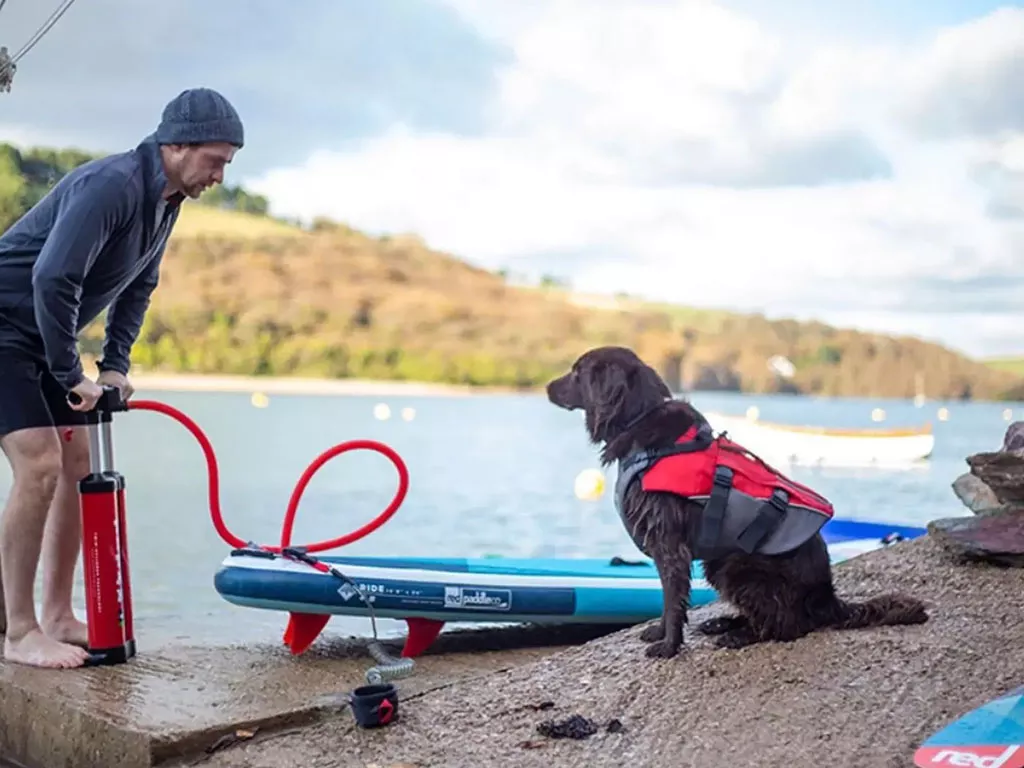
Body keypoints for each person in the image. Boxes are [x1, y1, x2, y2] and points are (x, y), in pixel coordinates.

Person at [0, 87, 244, 668]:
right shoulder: (110, 184)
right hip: (4, 327)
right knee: (39, 463)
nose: (220, 175)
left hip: (37, 337)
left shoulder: (166, 200)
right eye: (216, 160)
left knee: (76, 463)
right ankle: (18, 631)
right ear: (177, 144)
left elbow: (138, 286)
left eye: (228, 164)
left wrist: (115, 364)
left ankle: (58, 614)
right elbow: (53, 279)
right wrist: (69, 372)